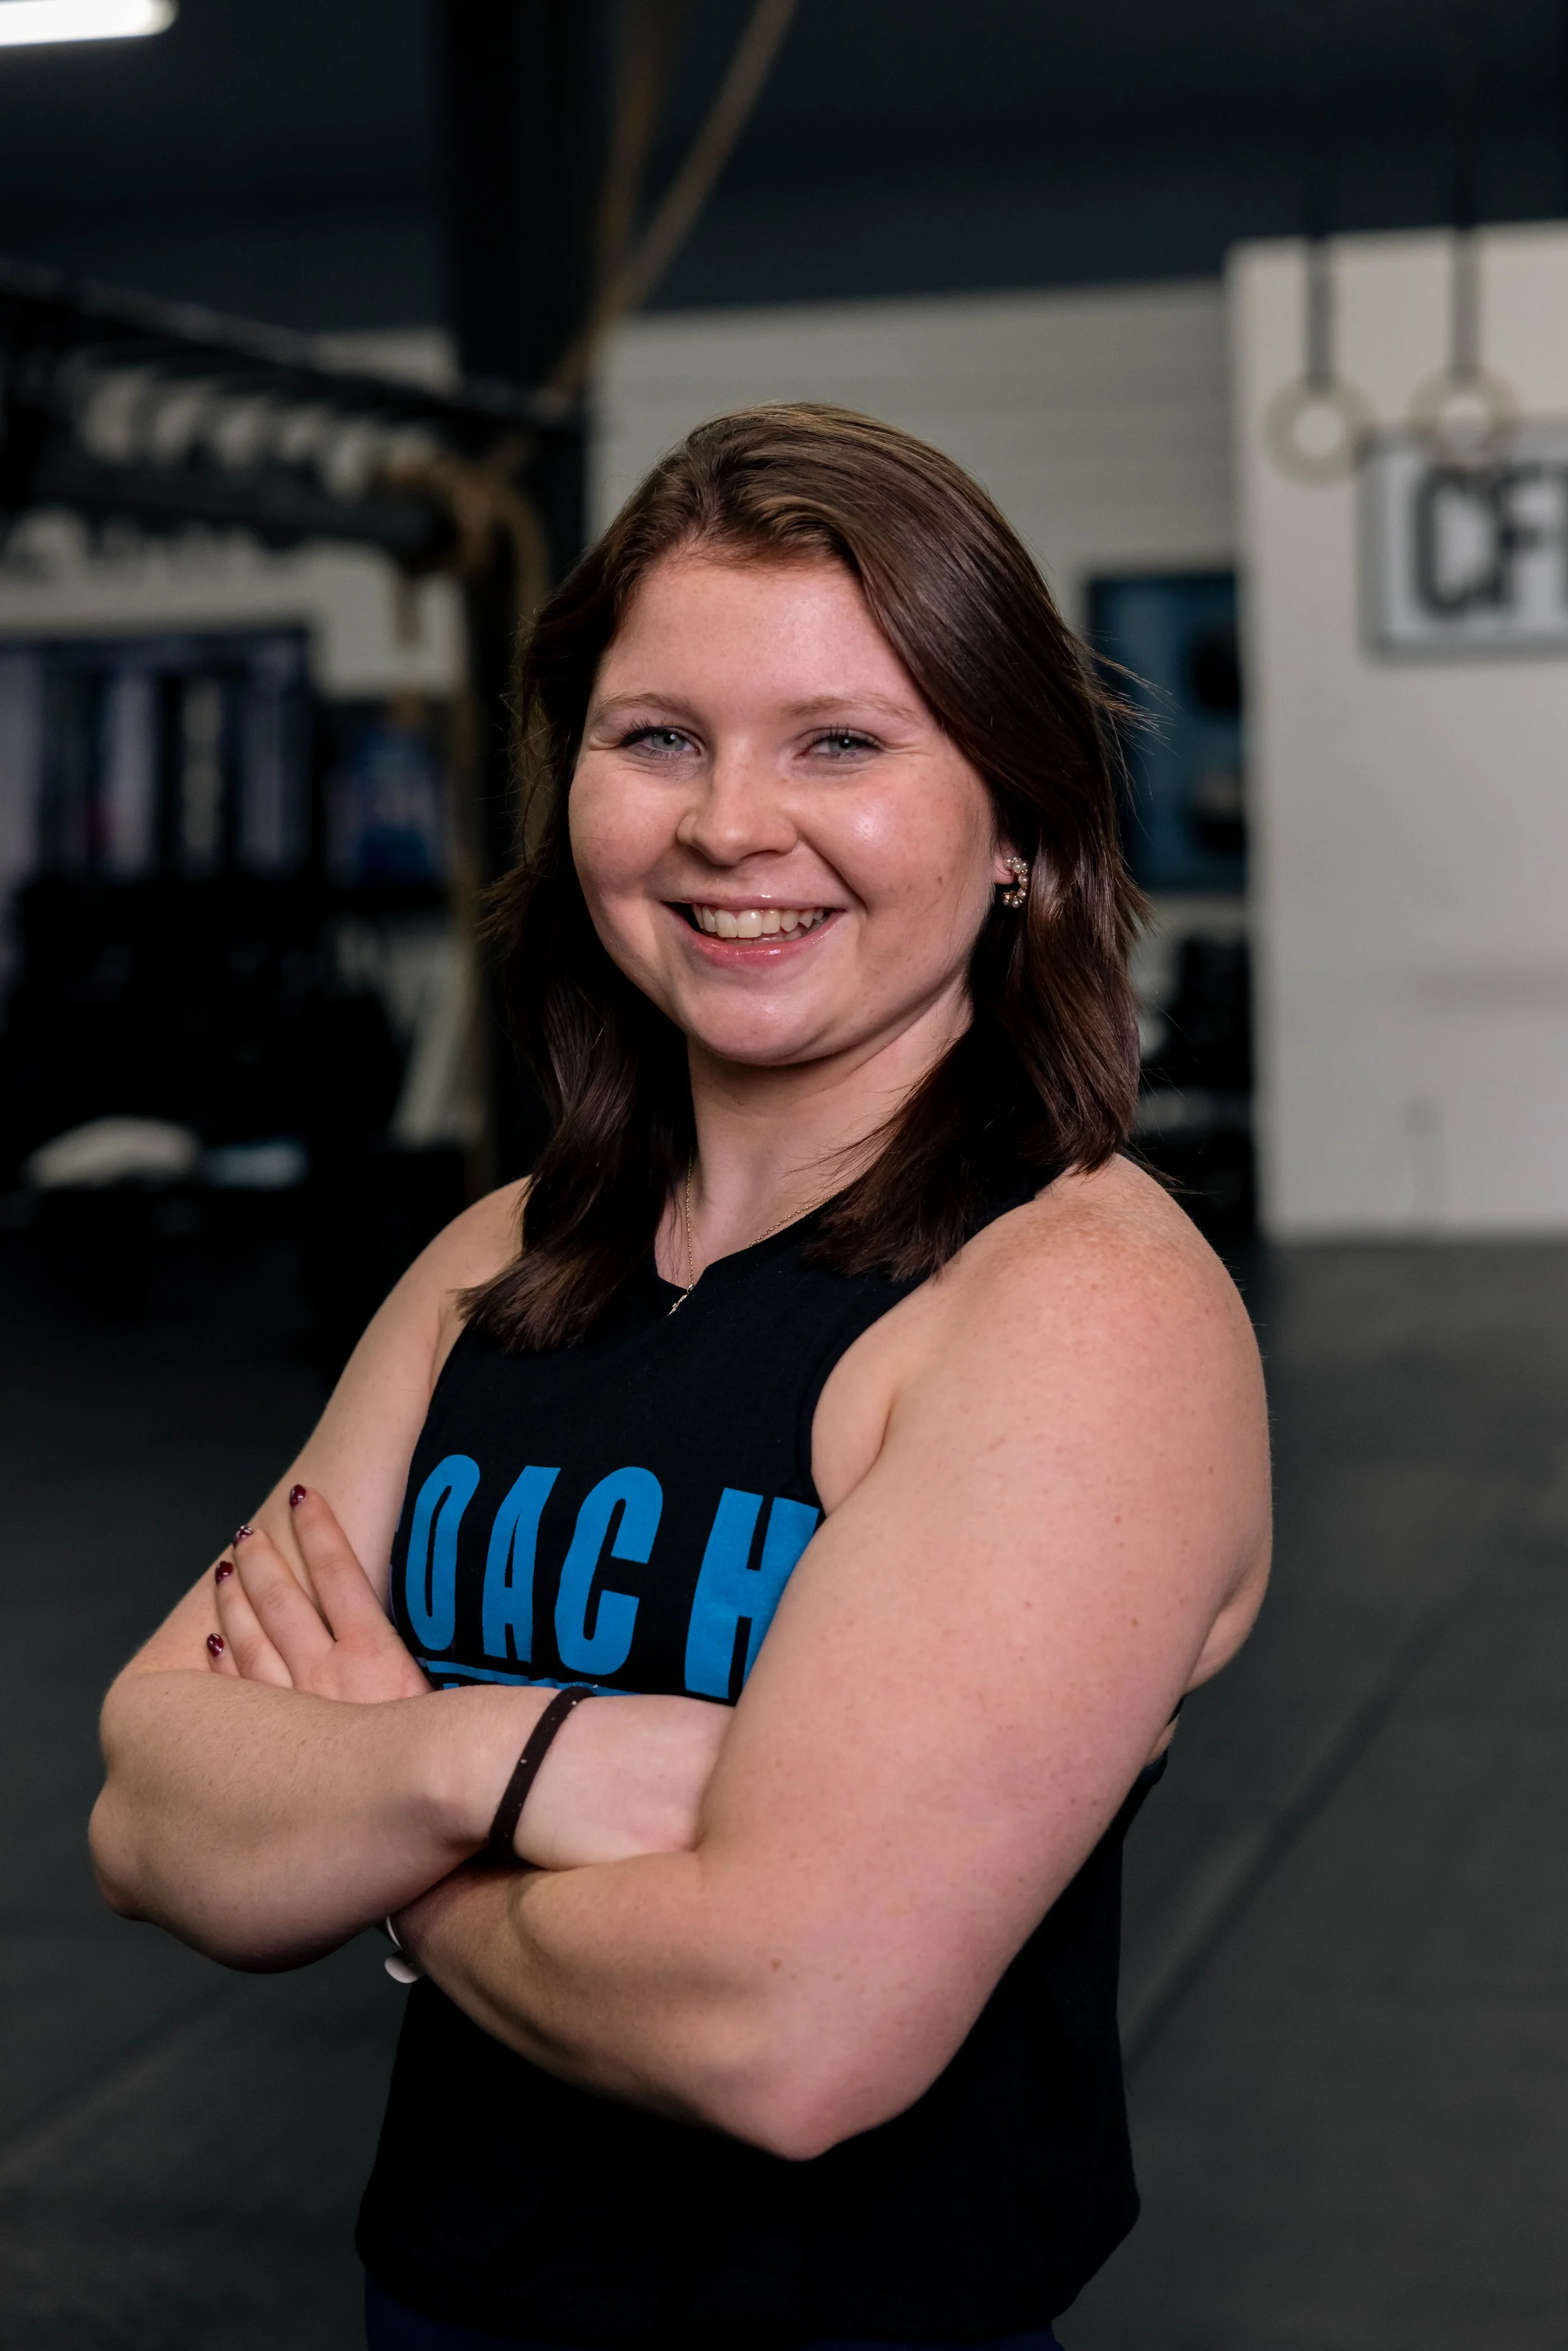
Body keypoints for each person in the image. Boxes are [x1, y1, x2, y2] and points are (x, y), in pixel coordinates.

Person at [90, 404, 1271, 2351]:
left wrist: (396, 1860)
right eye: (658, 739)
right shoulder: (500, 1254)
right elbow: (152, 1806)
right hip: (437, 2301)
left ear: (1023, 830)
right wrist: (509, 1757)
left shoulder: (1070, 1310)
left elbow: (787, 2027)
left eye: (840, 741)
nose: (730, 822)